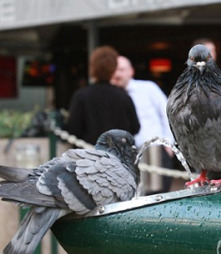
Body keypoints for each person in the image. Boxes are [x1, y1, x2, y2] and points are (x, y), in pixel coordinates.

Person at [111, 55, 175, 194]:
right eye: (114, 70)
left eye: (121, 69)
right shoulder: (110, 95)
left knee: (158, 195)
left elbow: (167, 113)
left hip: (154, 150)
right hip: (125, 155)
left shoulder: (148, 88)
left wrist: (169, 143)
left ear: (131, 71)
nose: (117, 74)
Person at [65, 46, 140, 145]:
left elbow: (73, 129)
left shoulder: (81, 96)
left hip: (89, 155)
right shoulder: (124, 96)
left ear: (92, 67)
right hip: (118, 157)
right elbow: (135, 128)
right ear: (113, 68)